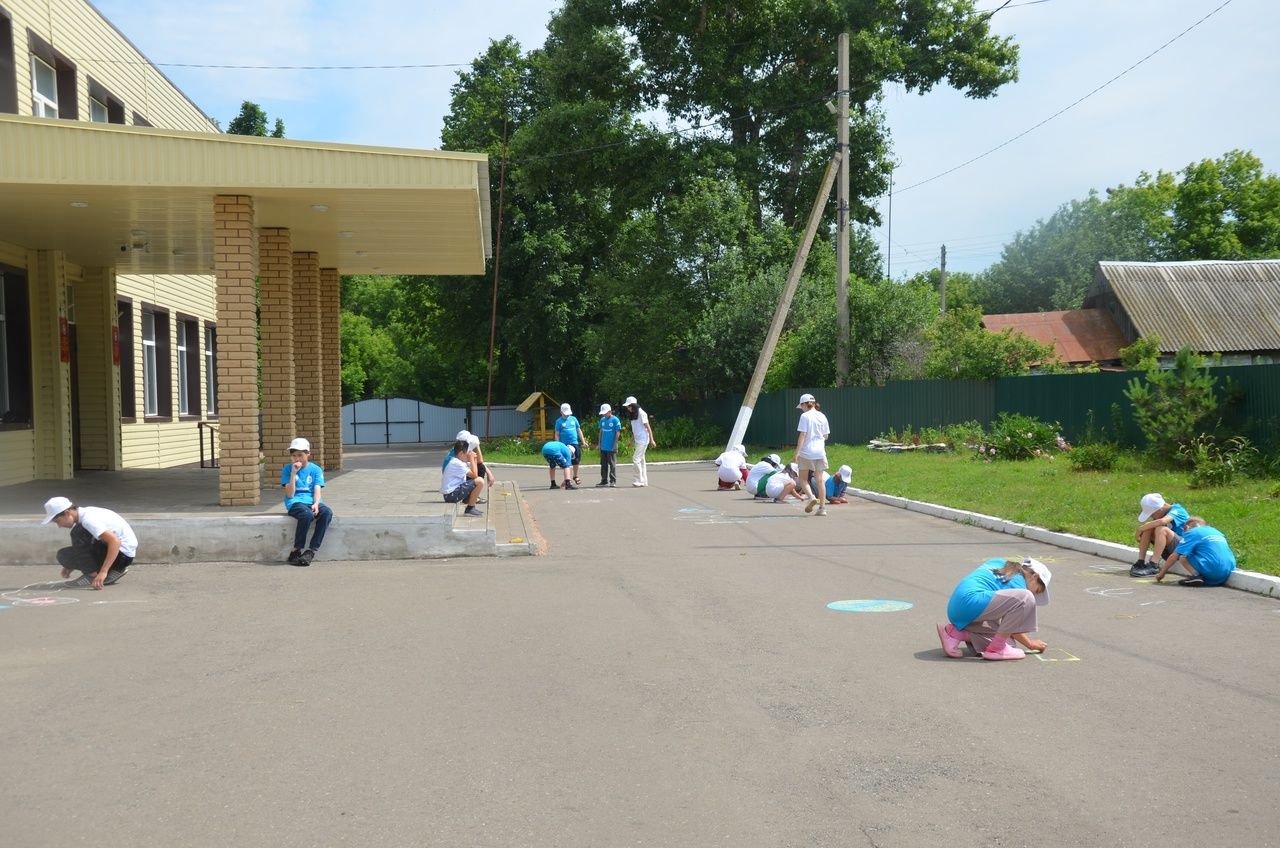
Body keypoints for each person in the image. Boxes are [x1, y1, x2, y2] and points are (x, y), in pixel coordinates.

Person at [938, 557, 1052, 661]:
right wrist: (1030, 644)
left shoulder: (1000, 563)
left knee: (1008, 642)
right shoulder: (1019, 584)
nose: (1034, 593)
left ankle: (954, 633)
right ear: (1035, 576)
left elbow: (1005, 627)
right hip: (971, 603)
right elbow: (1011, 626)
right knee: (1026, 598)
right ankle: (997, 649)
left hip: (957, 608)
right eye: (1037, 590)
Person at [41, 496, 138, 590]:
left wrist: (103, 572)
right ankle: (115, 570)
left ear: (67, 513)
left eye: (58, 521)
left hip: (122, 556)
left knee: (66, 550)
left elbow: (115, 541)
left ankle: (91, 576)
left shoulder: (88, 520)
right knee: (71, 548)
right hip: (125, 555)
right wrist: (70, 564)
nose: (59, 526)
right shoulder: (87, 512)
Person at [280, 436, 333, 566]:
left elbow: (317, 489)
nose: (297, 459)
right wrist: (293, 474)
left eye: (300, 455)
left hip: (312, 501)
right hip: (295, 503)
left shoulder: (315, 469)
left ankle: (311, 551)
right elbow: (290, 494)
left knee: (327, 513)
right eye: (294, 456)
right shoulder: (287, 469)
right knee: (306, 514)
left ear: (308, 454)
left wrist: (316, 503)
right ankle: (296, 550)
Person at [1155, 516, 1236, 586]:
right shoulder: (1216, 531)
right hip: (1226, 571)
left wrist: (1161, 574)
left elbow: (1174, 556)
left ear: (1186, 528)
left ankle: (1196, 576)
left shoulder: (1191, 532)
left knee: (1183, 556)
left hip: (1212, 570)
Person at [1131, 492, 1190, 577]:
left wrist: (1140, 529)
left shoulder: (1178, 510)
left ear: (1159, 509)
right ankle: (1140, 561)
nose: (1152, 517)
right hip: (1170, 550)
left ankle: (1153, 565)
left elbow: (1163, 521)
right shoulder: (1160, 513)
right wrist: (1145, 528)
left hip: (1182, 549)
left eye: (1152, 514)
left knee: (1161, 529)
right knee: (1148, 527)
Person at [794, 392, 830, 516]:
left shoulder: (805, 416)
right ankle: (822, 508)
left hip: (807, 451)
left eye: (801, 406)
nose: (801, 409)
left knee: (803, 479)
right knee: (820, 480)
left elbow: (803, 434)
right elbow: (826, 436)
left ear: (805, 404)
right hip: (820, 452)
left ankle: (811, 497)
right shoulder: (822, 416)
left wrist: (797, 452)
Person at [440, 438, 485, 517]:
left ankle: (469, 502)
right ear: (461, 453)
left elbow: (473, 474)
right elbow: (475, 475)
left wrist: (473, 459)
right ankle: (470, 509)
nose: (468, 455)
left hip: (450, 494)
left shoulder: (455, 459)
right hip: (451, 495)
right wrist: (472, 459)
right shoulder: (457, 463)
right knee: (480, 481)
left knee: (475, 479)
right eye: (467, 453)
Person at [622, 396, 656, 487]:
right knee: (641, 460)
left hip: (643, 440)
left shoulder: (642, 413)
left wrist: (652, 440)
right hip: (638, 439)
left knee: (636, 459)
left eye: (629, 406)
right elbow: (635, 431)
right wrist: (630, 441)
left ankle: (638, 480)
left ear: (633, 405)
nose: (628, 408)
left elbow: (648, 427)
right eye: (627, 406)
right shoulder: (633, 414)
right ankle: (644, 481)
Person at [554, 403, 588, 486]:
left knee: (576, 460)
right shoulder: (559, 421)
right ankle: (566, 479)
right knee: (566, 462)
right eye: (565, 414)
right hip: (564, 444)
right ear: (561, 412)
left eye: (568, 413)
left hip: (574, 443)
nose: (567, 415)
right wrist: (558, 445)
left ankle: (575, 476)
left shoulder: (573, 419)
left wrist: (583, 442)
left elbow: (579, 430)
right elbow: (557, 434)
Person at [596, 403, 623, 487]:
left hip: (611, 446)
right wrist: (599, 443)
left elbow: (617, 432)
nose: (604, 414)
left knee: (612, 464)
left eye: (605, 413)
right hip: (603, 446)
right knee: (603, 464)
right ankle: (604, 480)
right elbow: (601, 432)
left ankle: (613, 480)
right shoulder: (602, 420)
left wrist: (615, 444)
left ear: (610, 411)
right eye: (603, 413)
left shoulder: (615, 420)